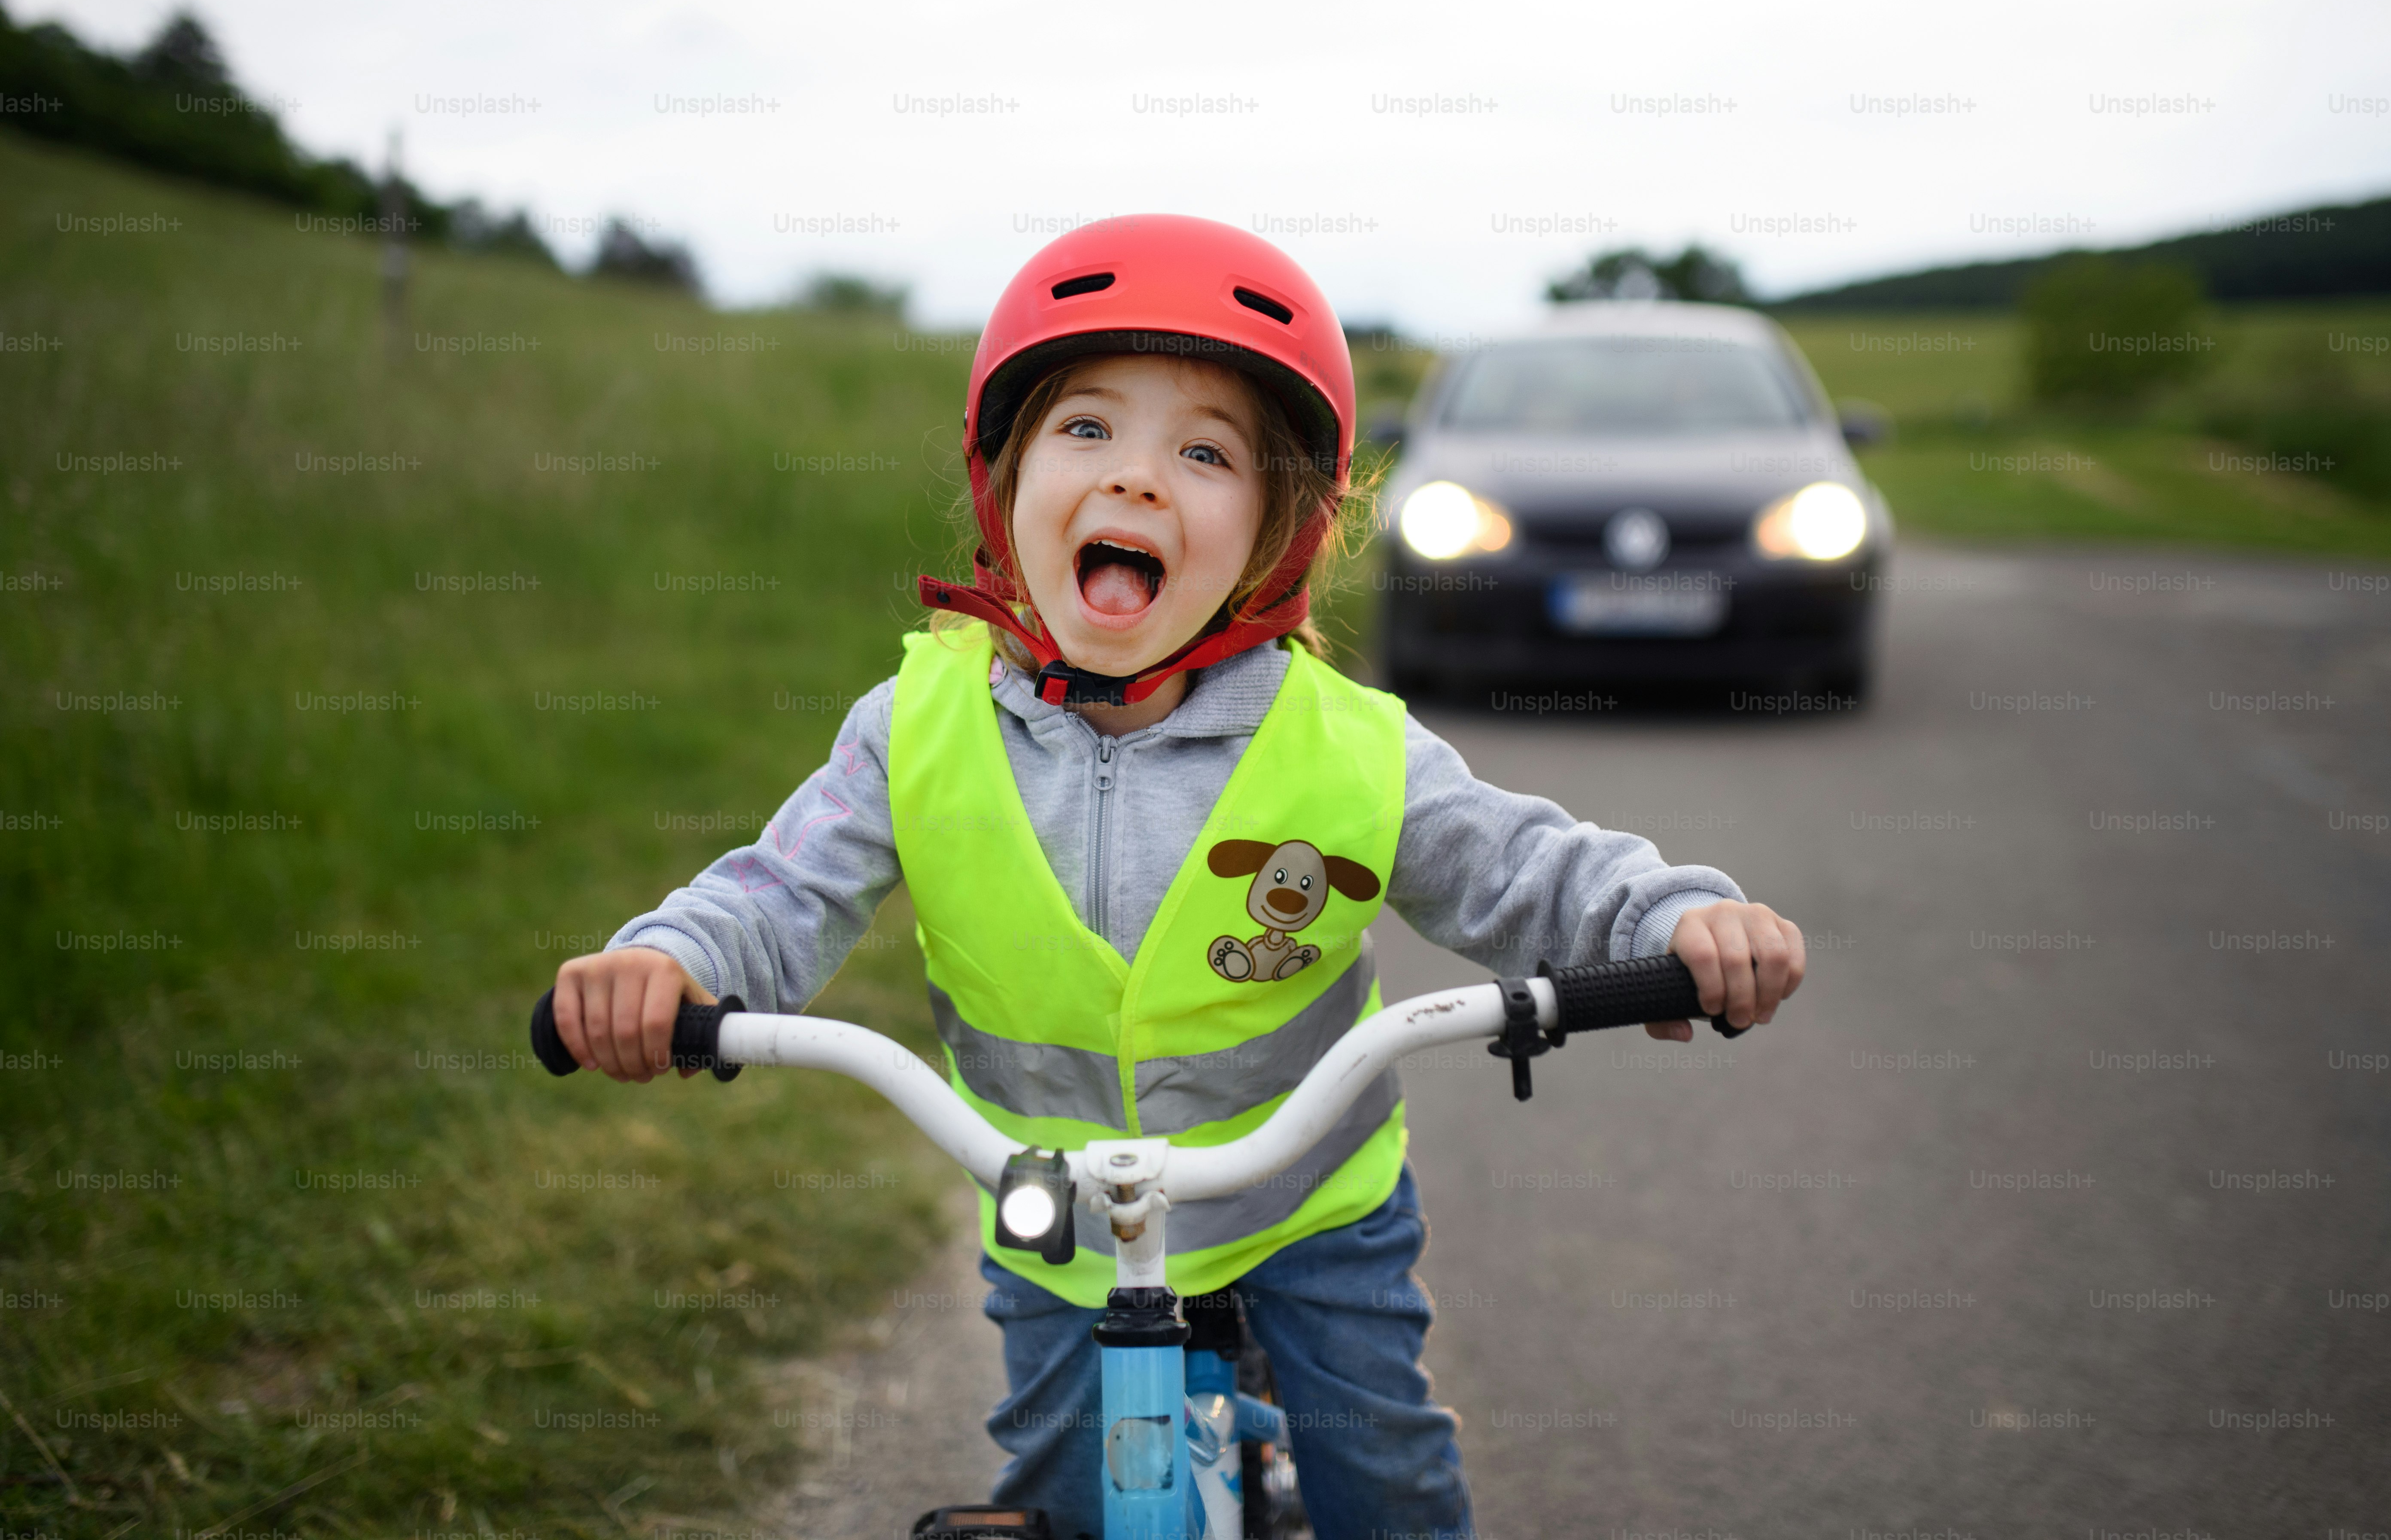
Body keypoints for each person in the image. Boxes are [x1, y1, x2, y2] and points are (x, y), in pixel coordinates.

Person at [545, 216, 1805, 1540]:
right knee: (1057, 1499)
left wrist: (1672, 921)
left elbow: (1522, 867)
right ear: (1007, 475)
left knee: (1383, 1481)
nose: (1137, 481)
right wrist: (671, 964)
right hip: (1063, 1210)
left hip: (1307, 1201)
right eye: (1086, 430)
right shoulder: (914, 726)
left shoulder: (1344, 746)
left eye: (1203, 454)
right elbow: (779, 892)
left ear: (1275, 530)